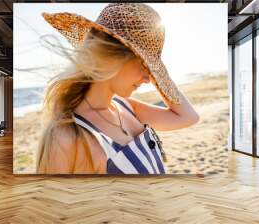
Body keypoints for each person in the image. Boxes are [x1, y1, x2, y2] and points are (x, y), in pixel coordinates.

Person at [36, 3, 199, 174]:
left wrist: (160, 74)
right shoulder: (67, 137)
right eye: (144, 64)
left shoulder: (126, 107)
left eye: (151, 70)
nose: (149, 79)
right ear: (110, 55)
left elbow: (188, 117)